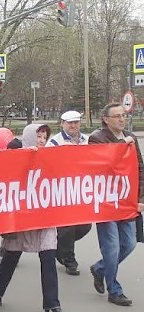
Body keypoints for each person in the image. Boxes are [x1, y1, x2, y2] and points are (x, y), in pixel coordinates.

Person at [0, 124, 67, 312]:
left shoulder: (51, 156)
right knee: (11, 256)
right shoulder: (14, 155)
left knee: (48, 256)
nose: (41, 140)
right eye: (38, 136)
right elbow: (5, 180)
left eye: (44, 137)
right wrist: (25, 158)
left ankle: (52, 303)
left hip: (45, 216)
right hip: (22, 217)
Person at [87, 103, 144, 306]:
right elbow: (103, 165)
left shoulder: (131, 137)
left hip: (127, 201)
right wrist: (122, 146)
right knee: (111, 246)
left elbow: (139, 169)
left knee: (129, 243)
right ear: (106, 119)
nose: (122, 119)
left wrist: (140, 199)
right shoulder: (97, 139)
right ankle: (114, 290)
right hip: (106, 202)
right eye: (117, 116)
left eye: (124, 115)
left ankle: (100, 269)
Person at [46, 110, 91, 276]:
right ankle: (70, 261)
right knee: (67, 227)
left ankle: (59, 247)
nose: (73, 125)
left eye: (76, 122)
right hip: (63, 191)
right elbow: (48, 165)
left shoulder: (88, 140)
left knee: (85, 226)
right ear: (62, 124)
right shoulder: (55, 142)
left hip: (83, 190)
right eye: (69, 122)